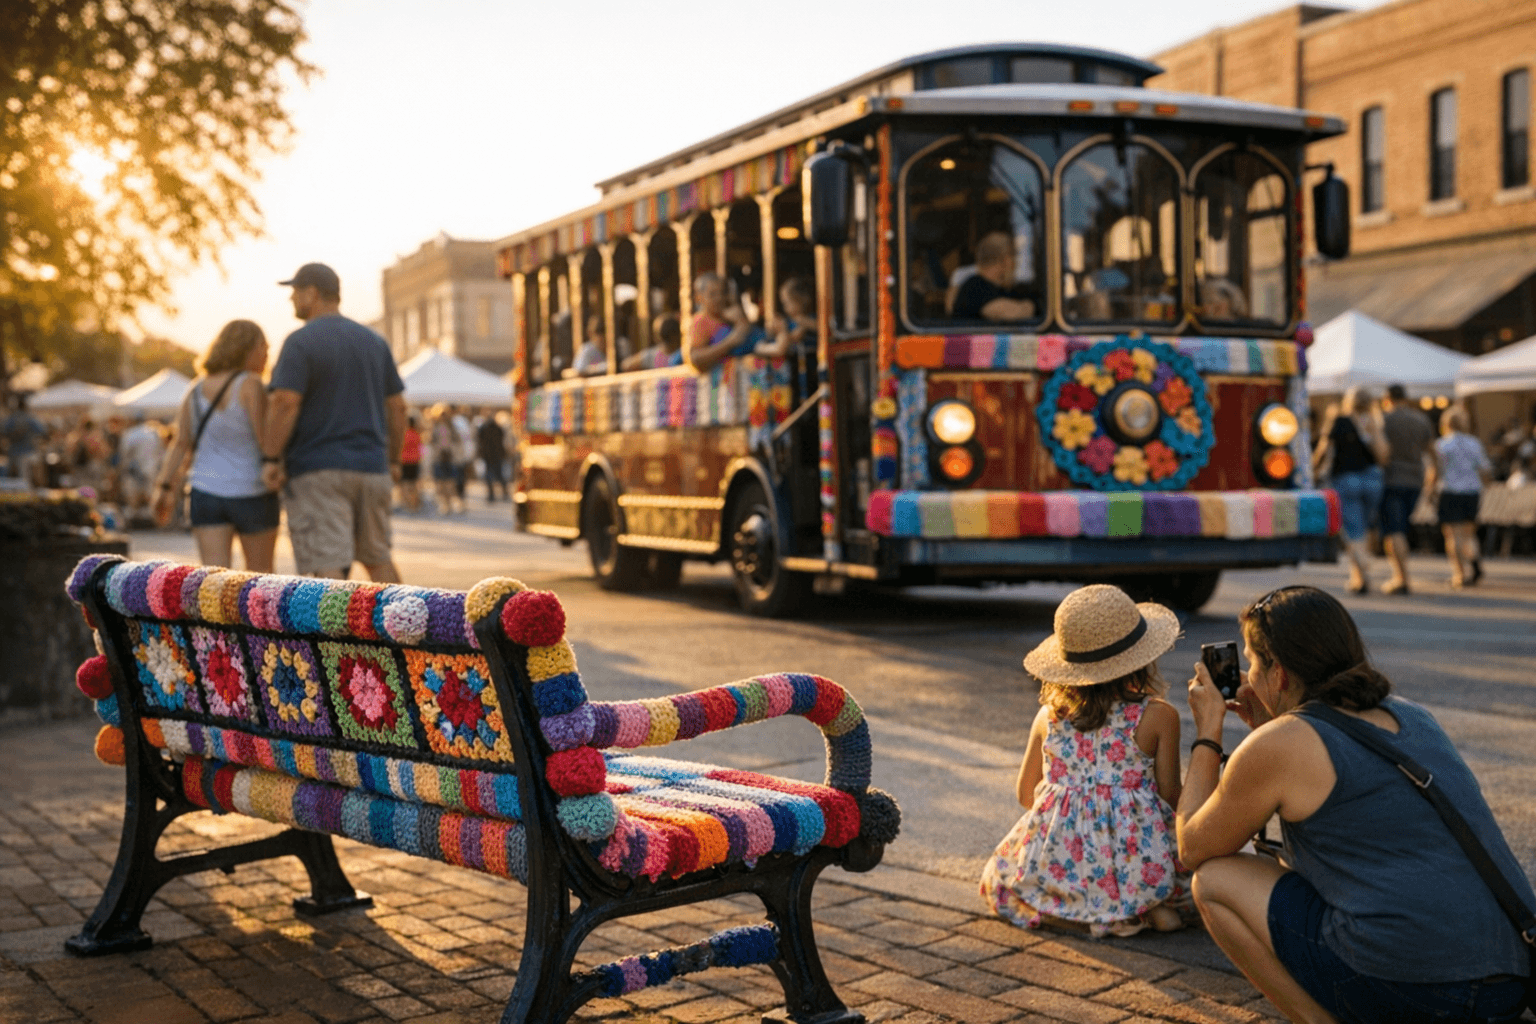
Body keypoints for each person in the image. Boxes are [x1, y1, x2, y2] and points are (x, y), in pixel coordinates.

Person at [1177, 585, 1531, 1024]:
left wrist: (1207, 732)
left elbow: (1192, 846)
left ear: (1281, 674)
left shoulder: (1281, 744)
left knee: (1212, 880)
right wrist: (1270, 727)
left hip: (1422, 995)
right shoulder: (1410, 713)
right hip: (1509, 982)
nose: (1247, 677)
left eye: (1252, 662)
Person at [980, 585, 1187, 938]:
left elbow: (1026, 795)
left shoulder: (1050, 717)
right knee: (1186, 862)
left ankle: (1074, 899)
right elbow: (1171, 796)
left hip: (1065, 859)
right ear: (1141, 658)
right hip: (1136, 858)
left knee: (998, 876)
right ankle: (1143, 903)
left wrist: (1075, 814)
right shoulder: (1159, 717)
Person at [262, 262, 406, 581]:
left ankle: (332, 633)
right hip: (372, 467)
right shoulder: (374, 342)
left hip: (318, 470)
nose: (292, 301)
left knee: (327, 564)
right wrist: (393, 459)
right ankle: (405, 625)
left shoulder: (300, 342)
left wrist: (271, 457)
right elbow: (397, 408)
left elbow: (285, 402)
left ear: (312, 294)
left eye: (296, 293)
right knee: (378, 557)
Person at [153, 320, 278, 572]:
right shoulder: (250, 384)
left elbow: (180, 443)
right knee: (262, 583)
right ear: (247, 348)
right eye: (263, 346)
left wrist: (164, 487)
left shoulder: (196, 388)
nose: (267, 354)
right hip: (251, 492)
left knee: (215, 583)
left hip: (205, 492)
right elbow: (265, 439)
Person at [1311, 388, 1388, 594]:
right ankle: (1359, 577)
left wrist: (1314, 469)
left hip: (1346, 478)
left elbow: (1323, 449)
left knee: (1354, 530)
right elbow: (1382, 456)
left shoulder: (1338, 418)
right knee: (1365, 527)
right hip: (1373, 479)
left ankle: (1362, 567)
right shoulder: (1373, 421)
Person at [1428, 406, 1493, 589]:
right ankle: (1474, 564)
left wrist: (1430, 490)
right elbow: (1485, 470)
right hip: (1472, 491)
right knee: (1468, 533)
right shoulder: (1474, 443)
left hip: (1450, 491)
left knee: (1452, 534)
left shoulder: (1442, 445)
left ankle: (1459, 573)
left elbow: (1435, 471)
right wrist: (1485, 486)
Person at [1379, 384, 1435, 595]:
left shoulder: (1384, 420)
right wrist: (1433, 478)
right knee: (1402, 526)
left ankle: (1401, 578)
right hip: (1415, 480)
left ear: (1388, 398)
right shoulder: (1421, 419)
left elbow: (1381, 451)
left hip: (1391, 479)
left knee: (1395, 530)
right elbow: (1432, 451)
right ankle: (1401, 576)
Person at [952, 232, 1037, 322]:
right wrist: (1029, 306)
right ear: (1005, 259)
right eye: (1013, 255)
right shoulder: (973, 287)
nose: (1016, 262)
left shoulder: (1006, 289)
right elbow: (1012, 313)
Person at [687, 273, 758, 372]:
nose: (719, 298)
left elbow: (748, 338)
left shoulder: (730, 315)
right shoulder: (700, 321)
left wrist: (740, 321)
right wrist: (729, 342)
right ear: (699, 298)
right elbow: (695, 357)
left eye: (723, 293)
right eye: (712, 294)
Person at [117, 413, 166, 527]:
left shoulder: (129, 434)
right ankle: (152, 522)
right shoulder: (154, 433)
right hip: (150, 469)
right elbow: (160, 452)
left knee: (133, 499)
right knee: (149, 496)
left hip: (134, 470)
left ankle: (135, 523)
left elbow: (124, 454)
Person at [755, 277, 815, 359]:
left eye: (787, 303)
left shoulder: (804, 320)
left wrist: (781, 329)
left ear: (803, 300)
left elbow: (793, 338)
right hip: (792, 356)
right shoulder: (791, 320)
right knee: (759, 346)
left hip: (804, 359)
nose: (785, 308)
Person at [427, 405, 464, 515]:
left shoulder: (452, 428)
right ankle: (444, 504)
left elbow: (458, 442)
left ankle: (453, 503)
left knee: (450, 482)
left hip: (449, 457)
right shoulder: (435, 427)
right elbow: (431, 442)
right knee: (440, 483)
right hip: (439, 457)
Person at [3, 394, 46, 485]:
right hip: (28, 453)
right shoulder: (30, 418)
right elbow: (42, 431)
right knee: (25, 481)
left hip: (13, 453)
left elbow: (3, 431)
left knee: (11, 481)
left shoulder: (11, 418)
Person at [477, 411, 507, 501]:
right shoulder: (497, 427)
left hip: (488, 455)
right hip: (496, 454)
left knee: (490, 475)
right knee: (499, 474)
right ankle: (503, 492)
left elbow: (479, 440)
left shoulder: (483, 428)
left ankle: (491, 495)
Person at [397, 411, 423, 513]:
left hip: (404, 461)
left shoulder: (404, 434)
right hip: (415, 461)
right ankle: (414, 504)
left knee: (405, 483)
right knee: (414, 483)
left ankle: (406, 503)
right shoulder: (417, 434)